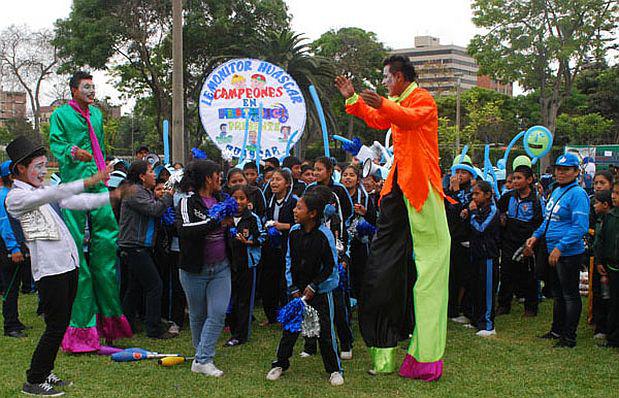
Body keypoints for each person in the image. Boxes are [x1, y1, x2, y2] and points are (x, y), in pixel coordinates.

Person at [336, 54, 451, 380]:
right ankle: (384, 355)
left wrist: (383, 104)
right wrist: (353, 99)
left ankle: (426, 359)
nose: (384, 82)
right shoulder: (397, 100)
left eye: (387, 77)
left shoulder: (422, 99)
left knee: (432, 264)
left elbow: (407, 118)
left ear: (400, 76)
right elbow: (379, 118)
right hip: (398, 188)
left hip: (422, 187)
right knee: (383, 267)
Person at [5, 136, 119, 396]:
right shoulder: (17, 197)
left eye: (46, 165)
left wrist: (111, 196)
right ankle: (34, 379)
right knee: (55, 326)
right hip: (50, 269)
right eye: (38, 166)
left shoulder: (39, 192)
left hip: (67, 264)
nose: (44, 171)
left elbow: (76, 202)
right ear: (21, 168)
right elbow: (58, 191)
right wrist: (90, 180)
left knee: (60, 323)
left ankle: (45, 372)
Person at [49, 70, 132, 352]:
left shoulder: (96, 115)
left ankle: (110, 324)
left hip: (98, 183)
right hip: (74, 184)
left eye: (93, 87)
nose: (91, 91)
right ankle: (81, 331)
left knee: (106, 256)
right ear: (74, 90)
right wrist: (73, 151)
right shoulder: (60, 115)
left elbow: (99, 145)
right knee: (78, 262)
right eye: (86, 87)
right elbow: (56, 144)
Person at [266, 188, 343, 386]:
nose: (294, 210)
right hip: (298, 292)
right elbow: (289, 259)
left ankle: (335, 370)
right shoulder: (294, 232)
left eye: (299, 208)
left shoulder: (324, 235)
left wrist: (314, 286)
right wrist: (293, 287)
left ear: (312, 213)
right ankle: (280, 363)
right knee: (289, 331)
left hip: (320, 291)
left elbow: (330, 266)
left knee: (325, 331)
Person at [525, 153, 589, 348]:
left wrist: (560, 247)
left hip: (568, 253)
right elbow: (548, 219)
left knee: (570, 294)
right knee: (558, 293)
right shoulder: (558, 190)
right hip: (553, 251)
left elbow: (580, 227)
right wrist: (535, 236)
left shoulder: (578, 194)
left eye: (566, 170)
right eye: (558, 169)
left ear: (576, 172)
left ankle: (569, 337)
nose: (561, 173)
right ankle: (556, 330)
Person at [176, 160, 232, 377]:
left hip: (221, 268)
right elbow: (186, 230)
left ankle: (202, 359)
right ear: (208, 178)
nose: (221, 179)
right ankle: (202, 356)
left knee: (218, 313)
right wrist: (215, 221)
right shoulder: (187, 202)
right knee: (198, 315)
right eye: (218, 174)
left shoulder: (222, 199)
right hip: (193, 270)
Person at [118, 160, 177, 339]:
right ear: (142, 176)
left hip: (137, 246)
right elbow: (154, 210)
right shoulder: (135, 191)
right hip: (134, 246)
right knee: (154, 285)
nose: (154, 175)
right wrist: (167, 196)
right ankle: (154, 328)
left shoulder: (142, 191)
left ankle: (126, 325)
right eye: (151, 171)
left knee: (135, 287)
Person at [496, 162, 543, 317]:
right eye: (514, 178)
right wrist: (502, 218)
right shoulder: (508, 197)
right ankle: (504, 305)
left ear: (529, 180)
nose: (515, 181)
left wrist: (532, 243)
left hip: (527, 241)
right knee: (506, 273)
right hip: (509, 241)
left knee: (529, 275)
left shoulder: (536, 200)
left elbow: (540, 223)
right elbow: (498, 210)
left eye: (519, 178)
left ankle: (531, 307)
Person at [225, 185, 265, 346]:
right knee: (231, 297)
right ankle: (233, 329)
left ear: (248, 200)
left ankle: (241, 335)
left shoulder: (252, 218)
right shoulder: (225, 217)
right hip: (228, 263)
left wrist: (249, 242)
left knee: (244, 300)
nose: (238, 202)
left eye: (242, 198)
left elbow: (262, 237)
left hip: (247, 264)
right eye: (235, 198)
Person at [465, 181, 501, 336]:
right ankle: (476, 320)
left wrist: (472, 214)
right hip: (476, 254)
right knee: (476, 288)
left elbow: (481, 228)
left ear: (487, 195)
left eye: (477, 193)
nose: (474, 197)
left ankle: (488, 324)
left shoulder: (492, 210)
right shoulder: (478, 209)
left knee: (487, 291)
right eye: (473, 194)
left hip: (488, 255)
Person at [261, 169, 296, 325]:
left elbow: (299, 224)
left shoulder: (294, 201)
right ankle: (271, 316)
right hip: (271, 247)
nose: (273, 183)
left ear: (287, 183)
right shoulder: (268, 200)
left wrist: (283, 226)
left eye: (278, 179)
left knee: (285, 282)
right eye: (272, 179)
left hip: (287, 248)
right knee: (269, 282)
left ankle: (287, 316)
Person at [0, 160, 30, 338]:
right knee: (10, 286)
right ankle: (10, 325)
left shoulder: (10, 194)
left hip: (16, 245)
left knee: (15, 284)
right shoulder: (5, 196)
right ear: (12, 176)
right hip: (9, 248)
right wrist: (13, 248)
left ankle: (15, 320)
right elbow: (5, 225)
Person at [445, 156, 475, 324]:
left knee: (464, 276)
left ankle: (462, 308)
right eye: (457, 172)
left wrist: (456, 192)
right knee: (451, 275)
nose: (460, 175)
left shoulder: (473, 192)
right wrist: (451, 191)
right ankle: (451, 308)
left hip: (465, 239)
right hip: (450, 237)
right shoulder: (448, 189)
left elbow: (461, 211)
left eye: (464, 172)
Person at [340, 164, 377, 300]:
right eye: (345, 175)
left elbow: (374, 219)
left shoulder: (365, 197)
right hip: (341, 240)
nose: (348, 178)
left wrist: (365, 213)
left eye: (351, 175)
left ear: (357, 179)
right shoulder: (336, 193)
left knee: (359, 271)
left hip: (359, 241)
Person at [595, 182, 619, 348]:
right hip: (612, 267)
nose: (613, 196)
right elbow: (601, 241)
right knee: (613, 303)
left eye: (617, 193)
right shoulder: (609, 217)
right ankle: (613, 337)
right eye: (614, 192)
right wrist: (599, 261)